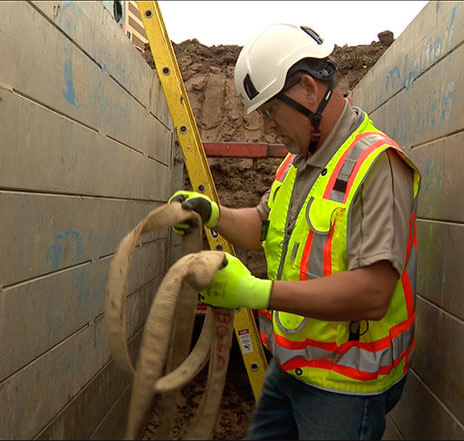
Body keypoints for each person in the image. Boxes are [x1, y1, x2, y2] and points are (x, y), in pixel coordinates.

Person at [168, 24, 420, 440]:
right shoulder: (299, 162)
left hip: (343, 386)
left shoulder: (378, 165)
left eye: (270, 111)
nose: (267, 127)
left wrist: (257, 293)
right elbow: (260, 227)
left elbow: (374, 294)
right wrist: (212, 213)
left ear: (307, 88)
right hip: (289, 364)